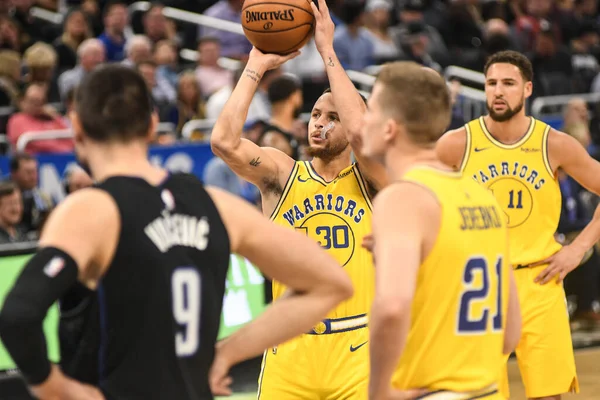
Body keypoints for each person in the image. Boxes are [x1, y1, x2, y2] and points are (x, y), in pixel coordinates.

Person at [0, 64, 354, 400]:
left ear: (76, 127)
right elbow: (331, 283)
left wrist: (56, 388)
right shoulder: (216, 205)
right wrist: (228, 353)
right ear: (153, 124)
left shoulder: (91, 210)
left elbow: (18, 317)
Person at [210, 0, 386, 397]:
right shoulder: (281, 173)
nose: (319, 123)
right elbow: (222, 141)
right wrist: (256, 65)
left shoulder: (374, 179)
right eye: (316, 115)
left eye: (332, 117)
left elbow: (363, 133)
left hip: (357, 346)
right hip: (289, 346)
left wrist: (327, 50)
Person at [435, 50, 600, 399]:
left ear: (527, 89)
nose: (497, 91)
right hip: (479, 285)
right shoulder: (456, 144)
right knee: (483, 393)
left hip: (540, 281)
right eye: (491, 83)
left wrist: (577, 250)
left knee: (549, 394)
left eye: (508, 83)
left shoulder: (553, 144)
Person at [361, 62, 521, 400]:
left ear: (390, 128)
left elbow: (391, 307)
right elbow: (510, 334)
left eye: (370, 109)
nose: (363, 121)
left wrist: (377, 393)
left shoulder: (402, 197)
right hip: (486, 389)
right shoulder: (482, 195)